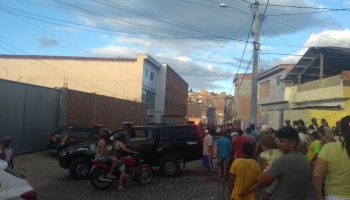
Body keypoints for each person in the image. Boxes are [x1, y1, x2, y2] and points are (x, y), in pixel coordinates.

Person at [239, 126, 312, 200]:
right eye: (278, 141)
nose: (278, 144)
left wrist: (247, 191)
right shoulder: (304, 158)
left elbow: (262, 181)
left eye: (282, 141)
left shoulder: (283, 160)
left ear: (292, 143)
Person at [313, 115, 350, 200]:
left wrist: (319, 197)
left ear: (340, 129)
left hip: (335, 195)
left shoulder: (329, 147)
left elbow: (317, 176)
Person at [259, 135, 283, 200]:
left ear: (264, 146)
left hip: (267, 173)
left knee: (266, 189)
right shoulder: (280, 151)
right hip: (277, 174)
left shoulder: (262, 154)